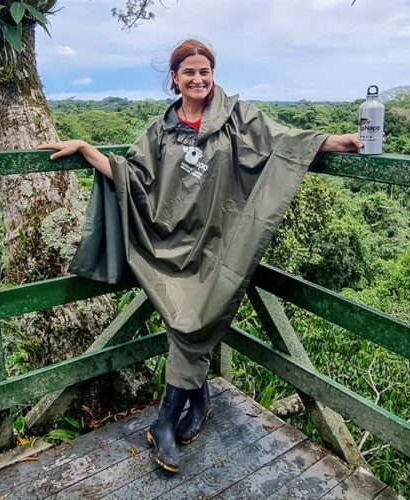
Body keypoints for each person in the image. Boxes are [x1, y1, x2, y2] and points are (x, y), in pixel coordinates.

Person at [38, 39, 362, 473]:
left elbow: (285, 142)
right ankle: (196, 401)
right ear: (175, 78)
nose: (197, 79)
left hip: (217, 244)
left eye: (204, 72)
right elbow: (131, 175)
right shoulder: (160, 129)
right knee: (184, 319)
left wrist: (338, 141)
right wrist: (85, 149)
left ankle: (165, 421)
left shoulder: (237, 117)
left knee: (195, 321)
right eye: (188, 72)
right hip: (168, 242)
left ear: (213, 75)